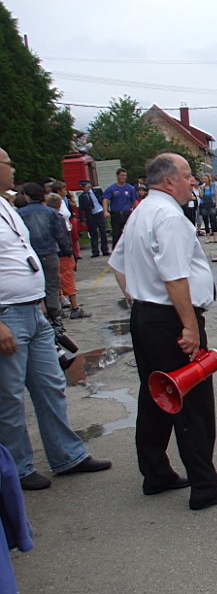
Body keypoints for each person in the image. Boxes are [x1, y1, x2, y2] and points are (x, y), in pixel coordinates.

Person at [109, 152, 217, 510]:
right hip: (171, 319)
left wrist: (138, 299)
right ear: (168, 182)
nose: (193, 180)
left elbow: (118, 264)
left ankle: (156, 473)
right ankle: (204, 485)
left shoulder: (141, 211)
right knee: (192, 402)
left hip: (147, 316)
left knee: (155, 396)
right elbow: (175, 277)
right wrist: (189, 326)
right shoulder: (168, 216)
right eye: (186, 174)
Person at [0, 146, 111, 491]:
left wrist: (39, 302)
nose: (13, 168)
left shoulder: (7, 205)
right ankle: (17, 469)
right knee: (9, 398)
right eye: (7, 163)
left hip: (31, 310)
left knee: (51, 386)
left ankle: (67, 455)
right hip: (6, 315)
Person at [17, 183, 72, 326]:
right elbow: (60, 234)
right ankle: (55, 315)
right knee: (52, 285)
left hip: (30, 256)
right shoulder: (50, 212)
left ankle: (41, 315)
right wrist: (67, 250)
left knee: (35, 285)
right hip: (49, 252)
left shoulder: (20, 214)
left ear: (27, 195)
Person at [44, 194, 91, 319]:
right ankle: (75, 307)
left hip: (50, 252)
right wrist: (70, 251)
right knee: (68, 277)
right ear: (60, 204)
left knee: (54, 280)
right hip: (62, 252)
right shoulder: (58, 218)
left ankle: (59, 305)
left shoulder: (44, 217)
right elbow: (62, 237)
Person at [102, 167, 138, 249]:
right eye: (122, 175)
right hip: (116, 215)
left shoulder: (130, 188)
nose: (124, 177)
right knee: (116, 234)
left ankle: (130, 250)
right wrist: (105, 211)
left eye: (125, 175)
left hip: (127, 214)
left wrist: (137, 212)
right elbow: (105, 199)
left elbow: (134, 201)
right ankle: (116, 250)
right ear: (117, 176)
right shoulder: (112, 188)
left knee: (129, 233)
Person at [77, 180, 110, 257]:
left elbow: (104, 200)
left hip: (99, 212)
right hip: (91, 215)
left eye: (84, 187)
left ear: (88, 186)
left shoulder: (97, 191)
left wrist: (106, 210)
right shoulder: (82, 197)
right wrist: (82, 219)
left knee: (103, 231)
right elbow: (81, 209)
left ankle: (105, 249)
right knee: (93, 233)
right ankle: (95, 251)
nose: (83, 189)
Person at [199, 175, 217, 244]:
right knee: (206, 220)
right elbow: (201, 196)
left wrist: (216, 204)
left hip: (212, 203)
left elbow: (215, 195)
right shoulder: (201, 187)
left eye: (205, 179)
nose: (204, 180)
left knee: (213, 219)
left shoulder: (213, 186)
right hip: (204, 204)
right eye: (203, 179)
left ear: (208, 179)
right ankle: (208, 237)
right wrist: (202, 189)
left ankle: (215, 237)